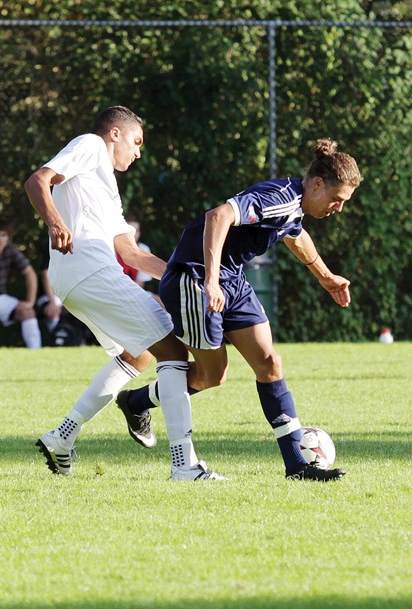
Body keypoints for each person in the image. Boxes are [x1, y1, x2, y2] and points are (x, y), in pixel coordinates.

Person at [116, 138, 363, 482]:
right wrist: (212, 281)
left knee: (269, 363)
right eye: (337, 199)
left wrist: (326, 277)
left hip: (232, 280)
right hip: (195, 279)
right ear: (318, 184)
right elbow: (218, 217)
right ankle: (137, 401)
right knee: (212, 375)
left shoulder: (294, 206)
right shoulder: (277, 197)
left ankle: (297, 466)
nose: (338, 208)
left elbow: (296, 234)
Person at [25, 105, 221, 481]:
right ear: (115, 134)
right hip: (89, 271)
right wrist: (55, 223)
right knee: (173, 351)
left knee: (142, 353)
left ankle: (61, 438)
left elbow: (131, 253)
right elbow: (38, 180)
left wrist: (183, 276)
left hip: (80, 277)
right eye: (136, 142)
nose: (138, 152)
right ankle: (184, 464)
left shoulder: (107, 187)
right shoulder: (91, 146)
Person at [0, 219, 42, 349]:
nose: (0, 239)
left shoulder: (10, 250)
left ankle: (37, 356)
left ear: (8, 238)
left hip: (1, 298)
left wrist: (30, 302)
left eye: (3, 235)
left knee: (27, 312)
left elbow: (30, 273)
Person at [117, 213, 162, 305]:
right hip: (115, 292)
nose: (133, 235)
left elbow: (140, 284)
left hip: (136, 291)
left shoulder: (144, 250)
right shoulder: (113, 249)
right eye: (130, 231)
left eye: (136, 231)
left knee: (161, 302)